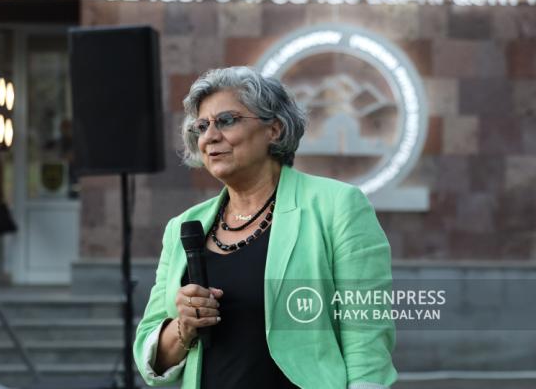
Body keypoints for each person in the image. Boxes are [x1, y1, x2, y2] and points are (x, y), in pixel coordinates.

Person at [134, 66, 397, 388]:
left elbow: (367, 340)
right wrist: (183, 328)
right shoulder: (183, 227)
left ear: (274, 129)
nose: (210, 136)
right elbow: (150, 355)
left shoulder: (337, 206)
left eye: (226, 120)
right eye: (202, 126)